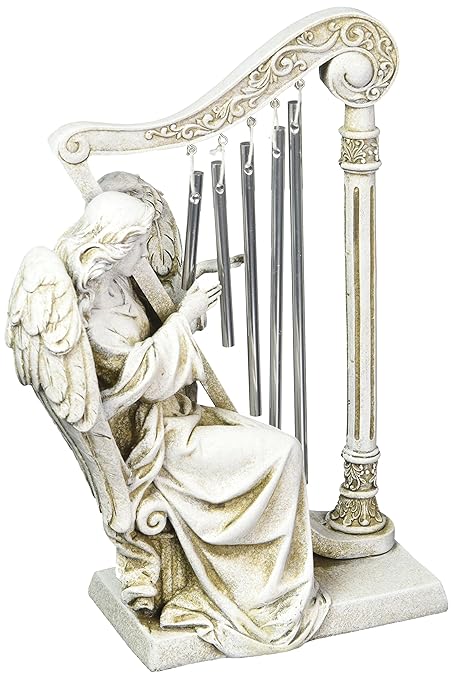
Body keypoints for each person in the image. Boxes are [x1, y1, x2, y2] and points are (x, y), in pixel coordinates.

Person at [55, 176, 329, 658]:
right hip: (157, 445)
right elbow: (142, 378)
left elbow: (154, 332)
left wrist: (188, 295)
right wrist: (186, 316)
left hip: (178, 419)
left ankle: (269, 564)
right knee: (284, 453)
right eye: (139, 242)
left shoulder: (117, 281)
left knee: (276, 447)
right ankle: (264, 594)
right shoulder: (84, 310)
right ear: (114, 246)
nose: (147, 249)